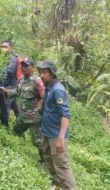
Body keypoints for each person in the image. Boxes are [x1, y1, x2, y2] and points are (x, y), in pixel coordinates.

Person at [38, 60, 77, 190]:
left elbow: (65, 115)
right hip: (46, 132)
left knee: (62, 167)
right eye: (40, 72)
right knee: (49, 161)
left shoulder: (58, 90)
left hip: (56, 135)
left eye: (44, 72)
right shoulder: (49, 87)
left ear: (52, 74)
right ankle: (57, 185)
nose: (41, 75)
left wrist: (61, 138)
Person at [0, 58, 45, 162]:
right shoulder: (21, 79)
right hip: (23, 115)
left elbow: (44, 97)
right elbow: (17, 91)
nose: (23, 68)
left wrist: (40, 109)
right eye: (22, 65)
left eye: (26, 66)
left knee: (37, 141)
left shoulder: (37, 81)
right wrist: (7, 92)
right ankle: (19, 148)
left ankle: (45, 160)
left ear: (33, 68)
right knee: (16, 130)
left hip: (34, 117)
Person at [0, 40, 20, 126]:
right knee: (14, 104)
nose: (3, 49)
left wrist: (1, 68)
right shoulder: (1, 57)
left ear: (11, 48)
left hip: (11, 84)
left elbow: (10, 71)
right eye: (2, 47)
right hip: (5, 85)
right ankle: (20, 120)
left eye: (6, 47)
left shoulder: (12, 58)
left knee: (6, 105)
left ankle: (4, 126)